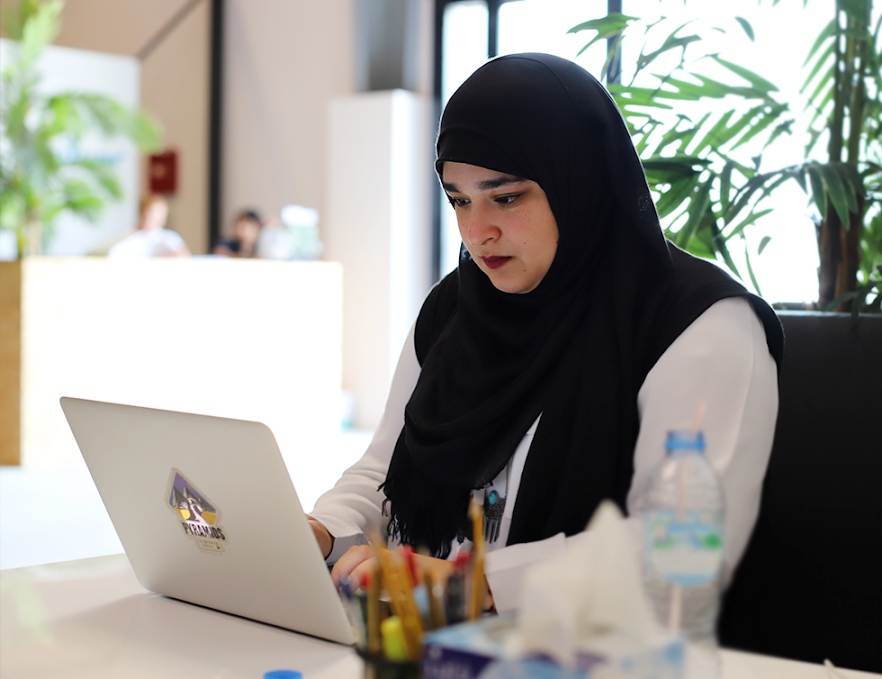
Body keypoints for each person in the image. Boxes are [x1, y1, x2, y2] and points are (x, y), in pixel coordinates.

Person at [307, 53, 784, 613]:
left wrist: (475, 585)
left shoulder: (697, 324)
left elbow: (682, 546)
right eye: (459, 200)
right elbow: (384, 470)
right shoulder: (456, 308)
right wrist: (320, 531)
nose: (477, 232)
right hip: (441, 644)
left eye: (505, 197)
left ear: (577, 180)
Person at [108, 194, 190, 258]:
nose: (149, 218)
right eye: (146, 214)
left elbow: (182, 254)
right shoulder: (131, 236)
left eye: (156, 214)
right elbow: (113, 253)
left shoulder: (168, 238)